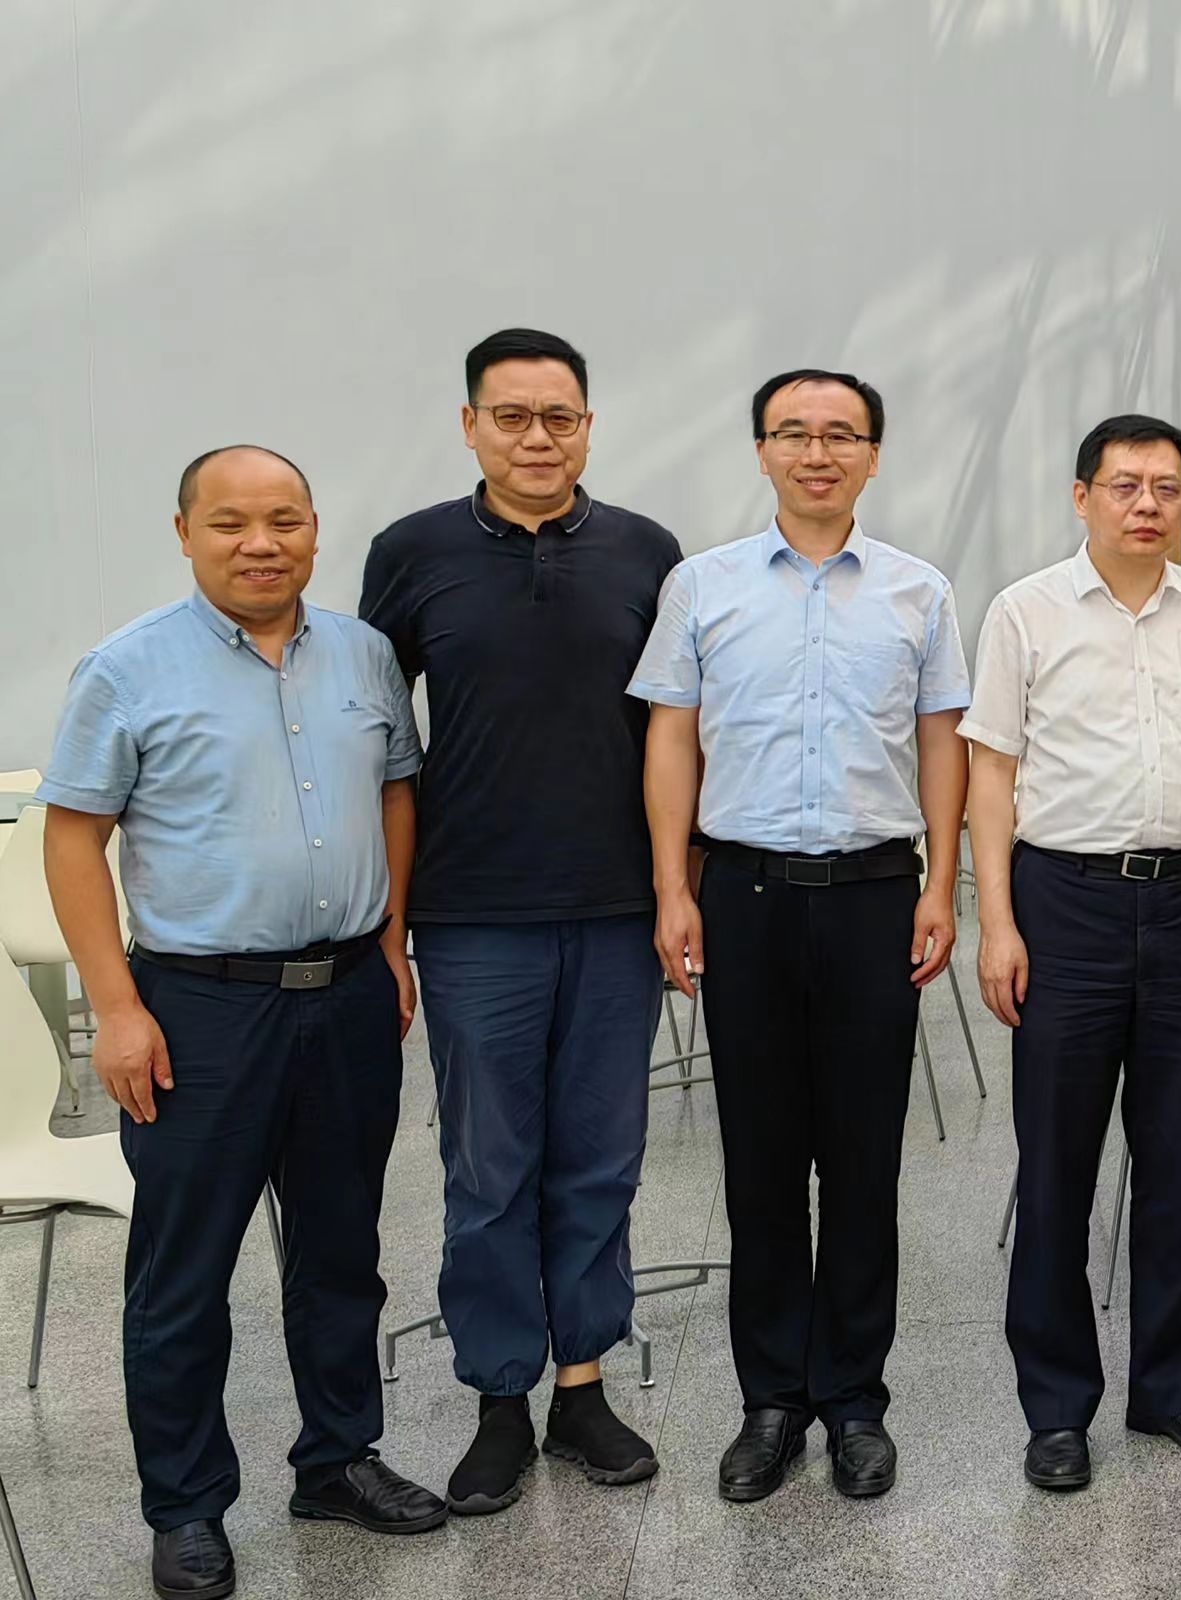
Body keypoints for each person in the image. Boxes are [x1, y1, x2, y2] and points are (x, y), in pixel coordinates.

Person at [41, 447, 448, 1600]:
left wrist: (391, 941)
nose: (260, 542)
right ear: (185, 533)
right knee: (185, 1272)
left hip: (349, 995)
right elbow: (71, 838)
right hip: (198, 1009)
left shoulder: (365, 656)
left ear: (314, 529)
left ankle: (338, 1459)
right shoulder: (127, 668)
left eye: (284, 519)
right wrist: (116, 1008)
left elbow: (396, 790)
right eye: (230, 522)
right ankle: (184, 1506)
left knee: (342, 1251)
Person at [629, 369, 970, 1503]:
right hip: (746, 894)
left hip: (876, 895)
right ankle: (772, 1399)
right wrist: (673, 887)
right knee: (762, 1160)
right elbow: (671, 739)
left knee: (865, 1162)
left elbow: (943, 743)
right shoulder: (703, 585)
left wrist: (942, 883)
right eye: (794, 433)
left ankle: (857, 1400)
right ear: (762, 450)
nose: (817, 452)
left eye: (840, 435)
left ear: (872, 454)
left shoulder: (919, 590)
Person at [359, 327, 683, 1511]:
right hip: (472, 914)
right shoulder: (411, 554)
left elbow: (678, 735)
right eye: (512, 416)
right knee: (488, 1168)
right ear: (470, 426)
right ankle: (499, 1396)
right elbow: (378, 747)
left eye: (559, 417)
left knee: (599, 1160)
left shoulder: (648, 553)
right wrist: (388, 928)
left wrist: (677, 889)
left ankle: (582, 1387)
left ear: (587, 427)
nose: (537, 437)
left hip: (615, 909)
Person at [966, 415, 1181, 1492]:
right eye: (1126, 484)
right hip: (1065, 903)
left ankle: (1171, 1388)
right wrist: (997, 921)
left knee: (1177, 1157)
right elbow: (991, 775)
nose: (1148, 504)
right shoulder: (1026, 611)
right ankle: (1057, 1406)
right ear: (1082, 495)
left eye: (1167, 487)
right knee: (1056, 1165)